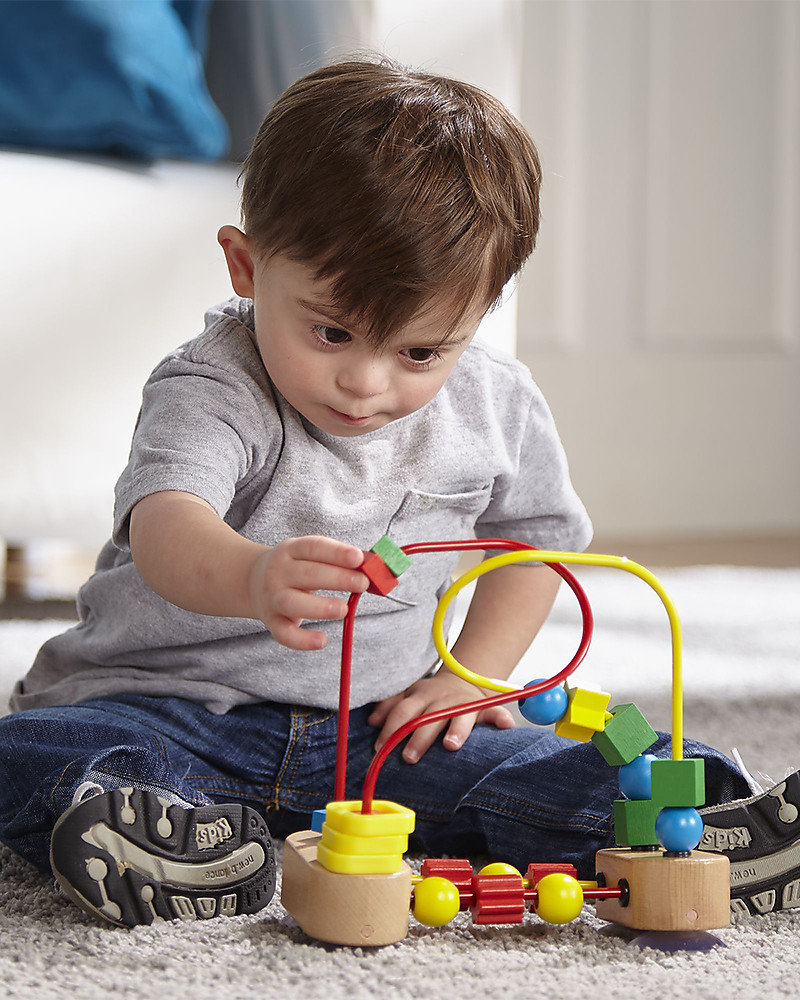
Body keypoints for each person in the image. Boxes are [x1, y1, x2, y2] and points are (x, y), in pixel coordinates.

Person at [0, 59, 793, 929]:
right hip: (170, 710)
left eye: (419, 352)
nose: (365, 382)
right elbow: (167, 521)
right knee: (45, 752)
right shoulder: (211, 386)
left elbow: (531, 551)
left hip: (380, 737)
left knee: (551, 767)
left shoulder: (497, 403)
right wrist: (250, 576)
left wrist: (474, 679)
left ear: (481, 313)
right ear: (244, 265)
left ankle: (715, 831)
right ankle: (176, 844)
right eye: (331, 331)